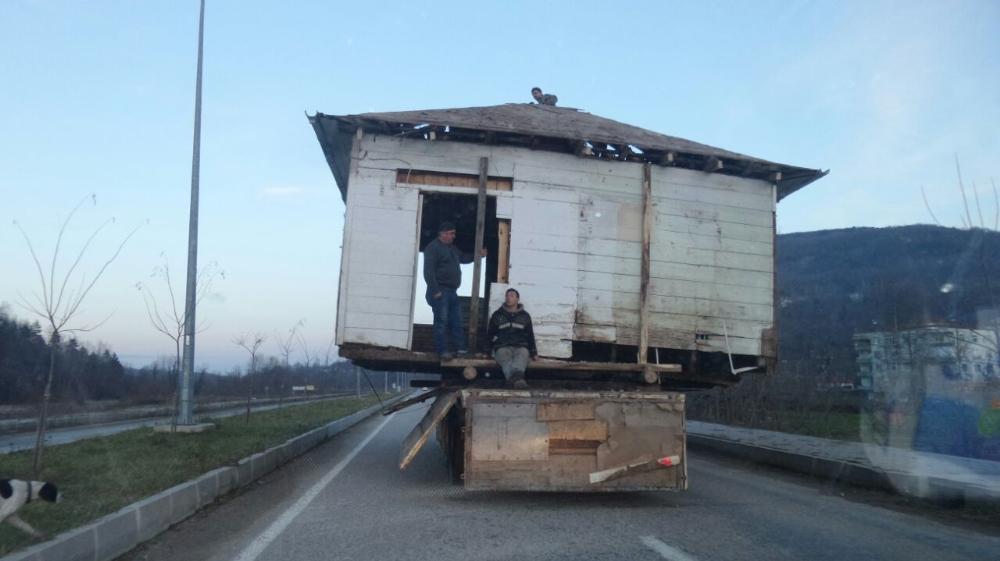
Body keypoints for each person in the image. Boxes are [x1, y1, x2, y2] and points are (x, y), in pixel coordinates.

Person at [423, 221, 484, 360]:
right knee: (441, 321)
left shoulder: (452, 248)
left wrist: (477, 255)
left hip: (452, 291)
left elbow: (463, 258)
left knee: (456, 321)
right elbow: (428, 271)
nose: (453, 236)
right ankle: (442, 351)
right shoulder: (432, 248)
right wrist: (435, 290)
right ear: (442, 234)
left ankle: (461, 349)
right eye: (451, 233)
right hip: (440, 290)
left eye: (453, 233)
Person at [486, 288, 538, 389]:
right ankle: (518, 380)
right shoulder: (497, 315)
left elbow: (530, 335)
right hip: (502, 346)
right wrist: (486, 351)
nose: (508, 298)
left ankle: (511, 381)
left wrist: (534, 352)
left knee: (522, 356)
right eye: (507, 296)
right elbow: (490, 334)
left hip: (521, 346)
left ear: (517, 299)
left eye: (511, 296)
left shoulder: (525, 316)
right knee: (505, 358)